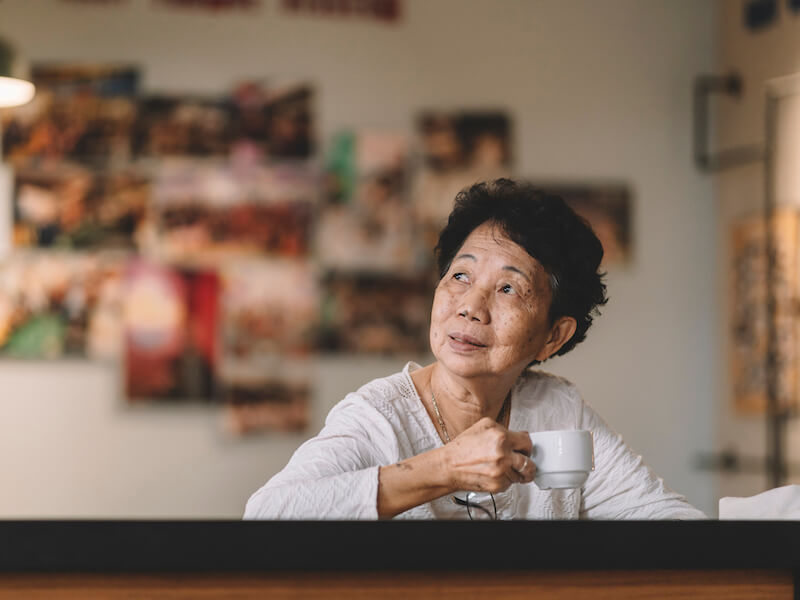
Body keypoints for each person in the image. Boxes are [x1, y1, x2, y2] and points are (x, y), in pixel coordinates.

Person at [244, 179, 706, 520]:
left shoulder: (557, 410)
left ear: (554, 336)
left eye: (508, 288)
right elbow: (267, 516)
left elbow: (669, 522)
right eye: (460, 277)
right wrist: (443, 468)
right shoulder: (379, 417)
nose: (470, 307)